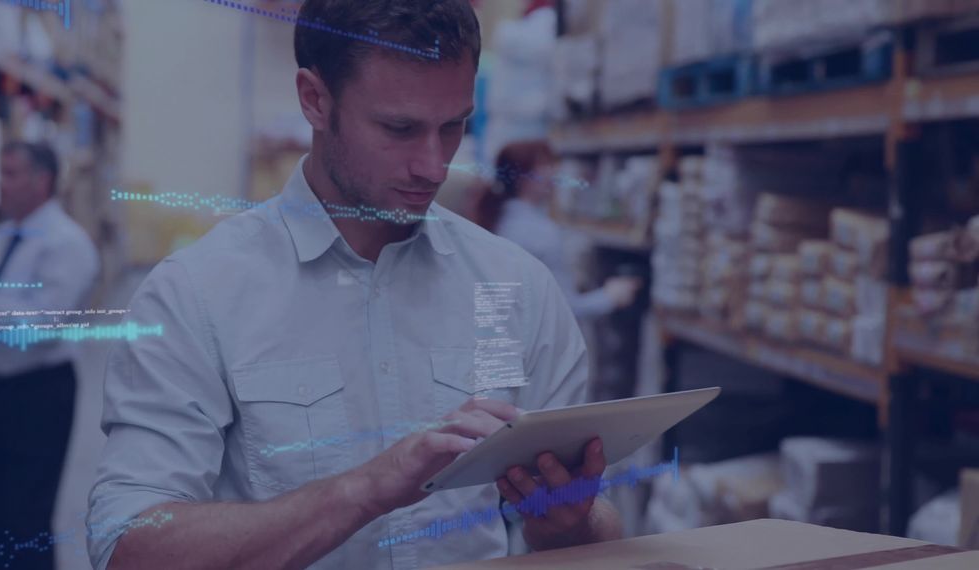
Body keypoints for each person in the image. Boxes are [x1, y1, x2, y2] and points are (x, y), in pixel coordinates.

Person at [87, 2, 622, 569]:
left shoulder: (519, 287)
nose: (435, 166)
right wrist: (367, 488)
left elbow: (593, 528)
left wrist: (567, 521)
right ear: (315, 100)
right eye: (400, 128)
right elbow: (129, 546)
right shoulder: (197, 294)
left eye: (453, 126)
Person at [0, 141, 100, 570]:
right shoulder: (1, 234)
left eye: (10, 174)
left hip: (39, 394)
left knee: (28, 524)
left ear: (41, 181)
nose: (0, 185)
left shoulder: (68, 244)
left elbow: (42, 326)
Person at [475, 140, 639, 319]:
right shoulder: (537, 232)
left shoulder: (501, 218)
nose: (553, 172)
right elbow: (562, 309)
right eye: (544, 165)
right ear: (523, 177)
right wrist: (610, 296)